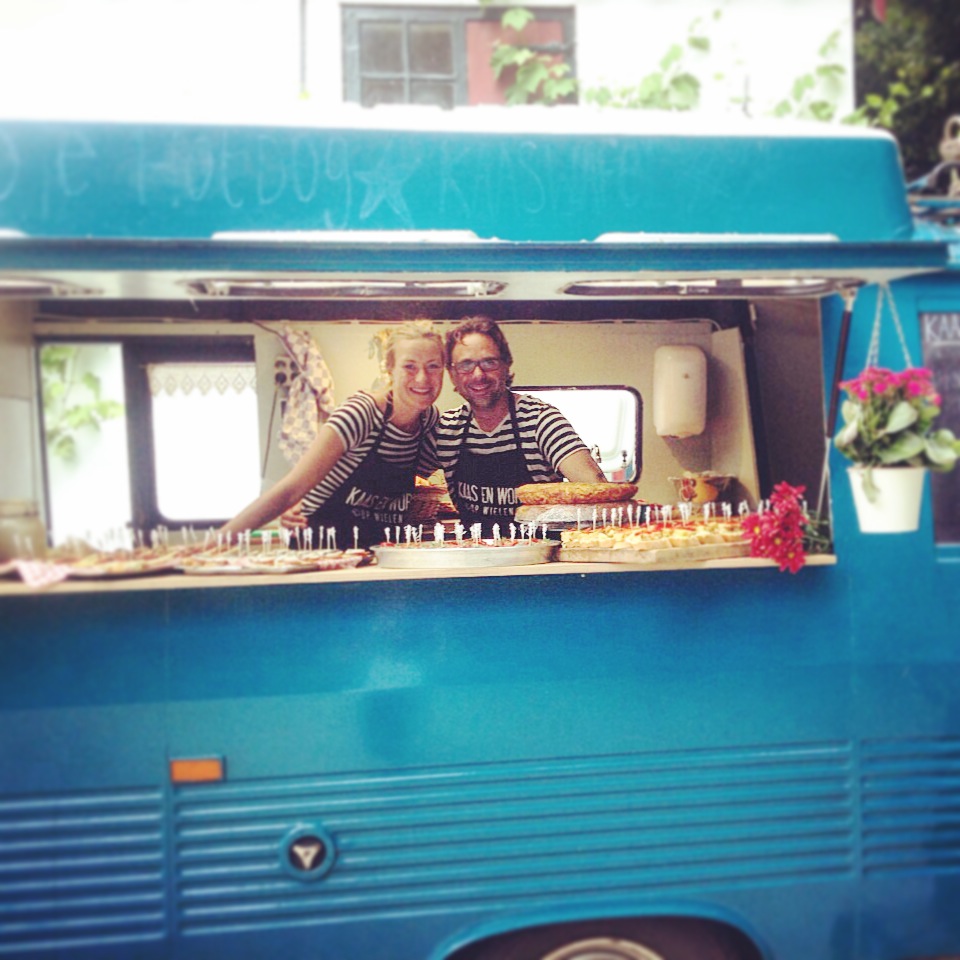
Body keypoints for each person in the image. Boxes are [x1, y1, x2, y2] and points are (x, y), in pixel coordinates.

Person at [223, 321, 444, 548]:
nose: (422, 378)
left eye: (433, 366)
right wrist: (216, 543)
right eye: (409, 366)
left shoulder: (429, 422)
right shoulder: (361, 414)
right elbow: (290, 490)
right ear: (390, 368)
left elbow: (420, 480)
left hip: (377, 552)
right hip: (319, 548)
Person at [422, 316, 607, 535]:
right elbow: (404, 482)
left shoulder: (540, 420)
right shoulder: (446, 430)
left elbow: (596, 488)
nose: (478, 374)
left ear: (505, 365)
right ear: (452, 374)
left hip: (540, 552)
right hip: (473, 552)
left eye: (489, 362)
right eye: (465, 365)